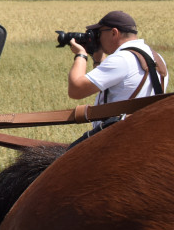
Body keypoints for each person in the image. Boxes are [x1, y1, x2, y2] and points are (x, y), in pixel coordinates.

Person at [67, 10, 167, 138]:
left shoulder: (122, 59)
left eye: (99, 33)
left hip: (116, 137)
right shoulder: (156, 57)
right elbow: (119, 83)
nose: (98, 38)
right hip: (144, 134)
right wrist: (98, 60)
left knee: (68, 157)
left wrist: (81, 54)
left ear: (114, 32)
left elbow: (76, 90)